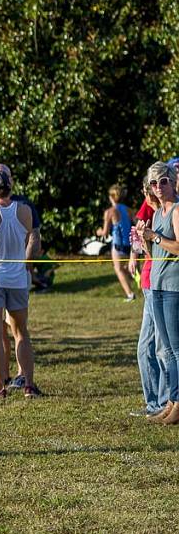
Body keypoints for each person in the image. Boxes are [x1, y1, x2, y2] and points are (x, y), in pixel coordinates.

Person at [0, 167, 39, 399]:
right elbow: (26, 238)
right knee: (21, 333)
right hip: (17, 278)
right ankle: (28, 386)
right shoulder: (25, 211)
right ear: (10, 186)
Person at [139, 161, 179, 424]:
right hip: (156, 285)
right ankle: (171, 401)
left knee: (176, 349)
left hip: (173, 286)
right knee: (164, 349)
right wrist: (145, 239)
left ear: (173, 181)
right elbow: (154, 253)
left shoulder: (176, 210)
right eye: (154, 183)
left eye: (163, 181)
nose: (158, 187)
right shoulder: (156, 213)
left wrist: (154, 237)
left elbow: (177, 248)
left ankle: (177, 402)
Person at [129, 177, 168, 417]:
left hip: (156, 282)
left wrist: (144, 241)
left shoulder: (166, 211)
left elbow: (152, 247)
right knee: (151, 347)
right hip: (149, 280)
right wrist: (136, 248)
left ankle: (161, 402)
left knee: (156, 347)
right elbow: (137, 240)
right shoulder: (152, 209)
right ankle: (159, 401)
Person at [96, 184, 135, 301]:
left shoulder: (110, 212)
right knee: (127, 268)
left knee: (118, 269)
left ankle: (130, 294)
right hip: (129, 244)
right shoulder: (129, 210)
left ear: (112, 197)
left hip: (118, 245)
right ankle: (136, 277)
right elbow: (136, 222)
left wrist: (98, 232)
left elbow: (105, 232)